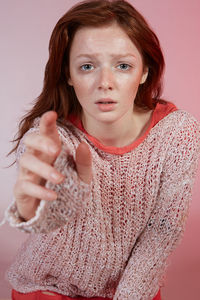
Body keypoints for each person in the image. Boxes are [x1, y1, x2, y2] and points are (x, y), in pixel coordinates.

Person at [2, 0, 200, 299]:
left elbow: (163, 230)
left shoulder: (177, 133)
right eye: (87, 66)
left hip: (132, 288)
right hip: (48, 285)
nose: (105, 83)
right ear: (68, 75)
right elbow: (48, 216)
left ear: (145, 71)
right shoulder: (53, 139)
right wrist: (34, 208)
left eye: (123, 66)